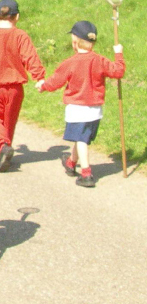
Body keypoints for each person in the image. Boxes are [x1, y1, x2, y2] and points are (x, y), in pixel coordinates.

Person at [37, 21, 125, 188]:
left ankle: (86, 174)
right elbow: (118, 72)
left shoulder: (71, 62)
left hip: (77, 108)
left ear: (75, 41)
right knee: (82, 136)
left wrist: (43, 86)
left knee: (81, 139)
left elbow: (56, 80)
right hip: (95, 110)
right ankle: (71, 163)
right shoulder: (100, 60)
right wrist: (118, 55)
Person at [0, 0, 46, 171]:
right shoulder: (21, 35)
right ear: (17, 17)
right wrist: (39, 77)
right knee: (8, 120)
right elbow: (30, 57)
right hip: (15, 88)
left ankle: (1, 147)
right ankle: (4, 151)